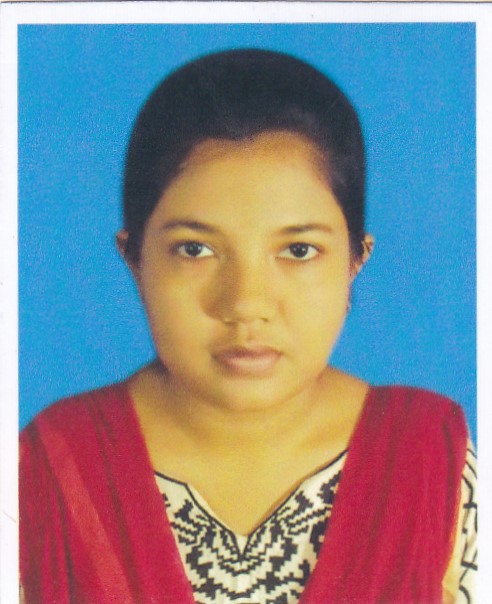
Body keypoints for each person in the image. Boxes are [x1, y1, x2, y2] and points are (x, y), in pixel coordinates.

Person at [19, 49, 476, 604]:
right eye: (195, 249)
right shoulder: (42, 471)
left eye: (299, 250)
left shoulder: (435, 462)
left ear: (357, 258)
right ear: (134, 259)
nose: (246, 304)